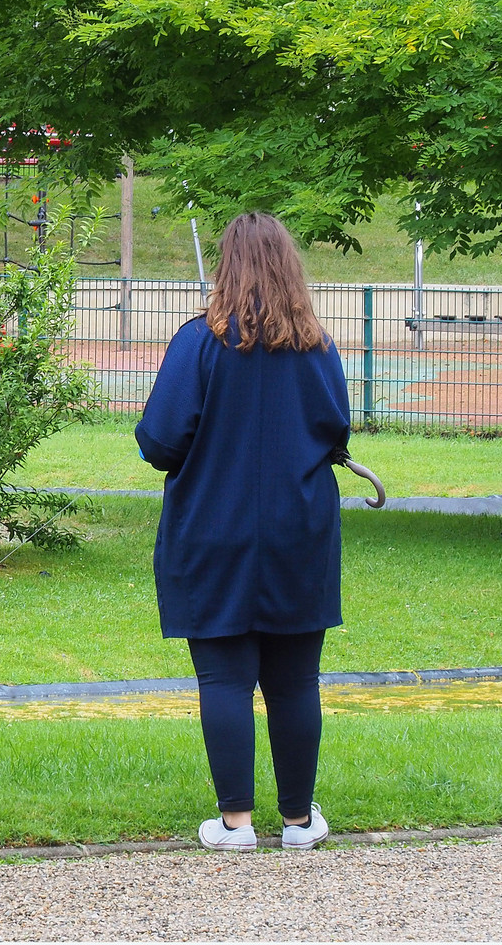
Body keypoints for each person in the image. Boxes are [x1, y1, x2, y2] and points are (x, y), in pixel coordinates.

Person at [134, 210, 350, 853]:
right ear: (290, 267)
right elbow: (337, 431)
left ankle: (235, 825)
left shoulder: (197, 343)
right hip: (298, 533)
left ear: (225, 266)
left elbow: (159, 441)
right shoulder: (317, 347)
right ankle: (297, 822)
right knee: (294, 680)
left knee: (223, 679)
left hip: (212, 531)